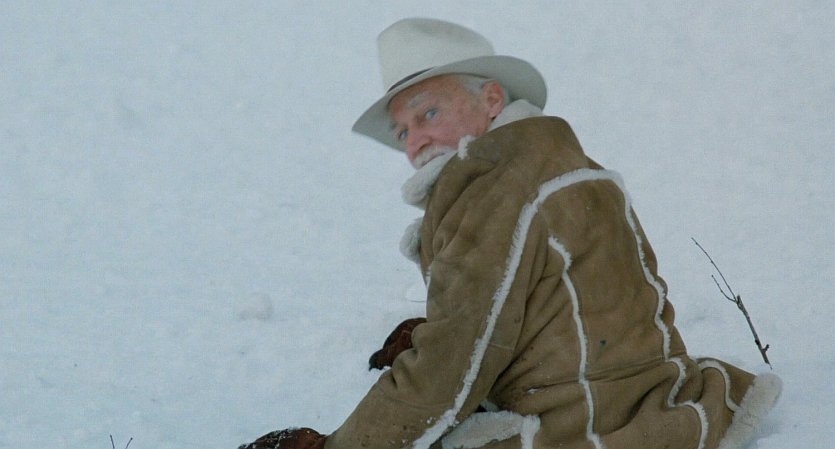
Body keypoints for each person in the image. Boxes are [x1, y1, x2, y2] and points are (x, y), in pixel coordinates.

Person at [239, 18, 781, 449]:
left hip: (584, 421)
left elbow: (451, 368)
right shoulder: (563, 163)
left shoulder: (499, 191)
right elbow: (559, 303)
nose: (415, 141)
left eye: (429, 113)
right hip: (652, 390)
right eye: (403, 131)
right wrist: (440, 323)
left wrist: (339, 447)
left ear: (492, 101)